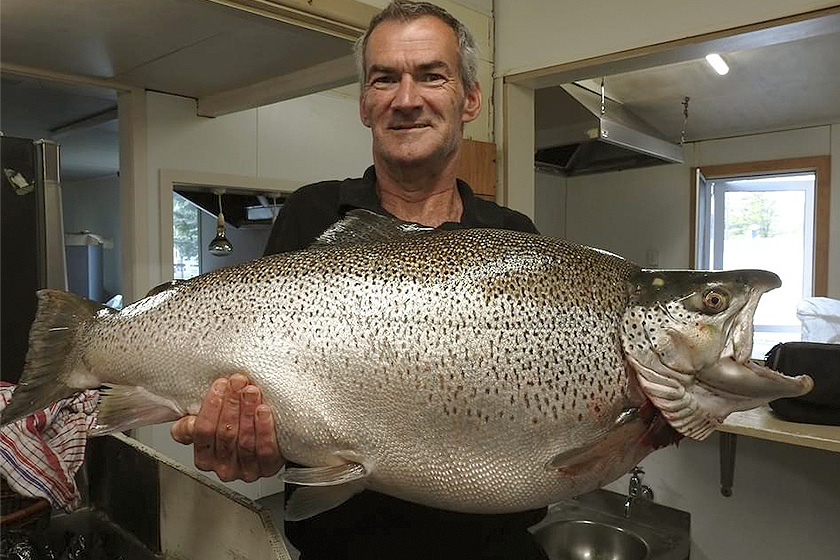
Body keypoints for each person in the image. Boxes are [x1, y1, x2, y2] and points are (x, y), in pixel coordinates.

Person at [171, 2, 547, 558]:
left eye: (431, 75)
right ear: (364, 103)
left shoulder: (514, 240)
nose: (406, 98)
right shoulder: (311, 215)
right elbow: (272, 397)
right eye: (384, 79)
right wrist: (251, 438)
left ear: (470, 99)